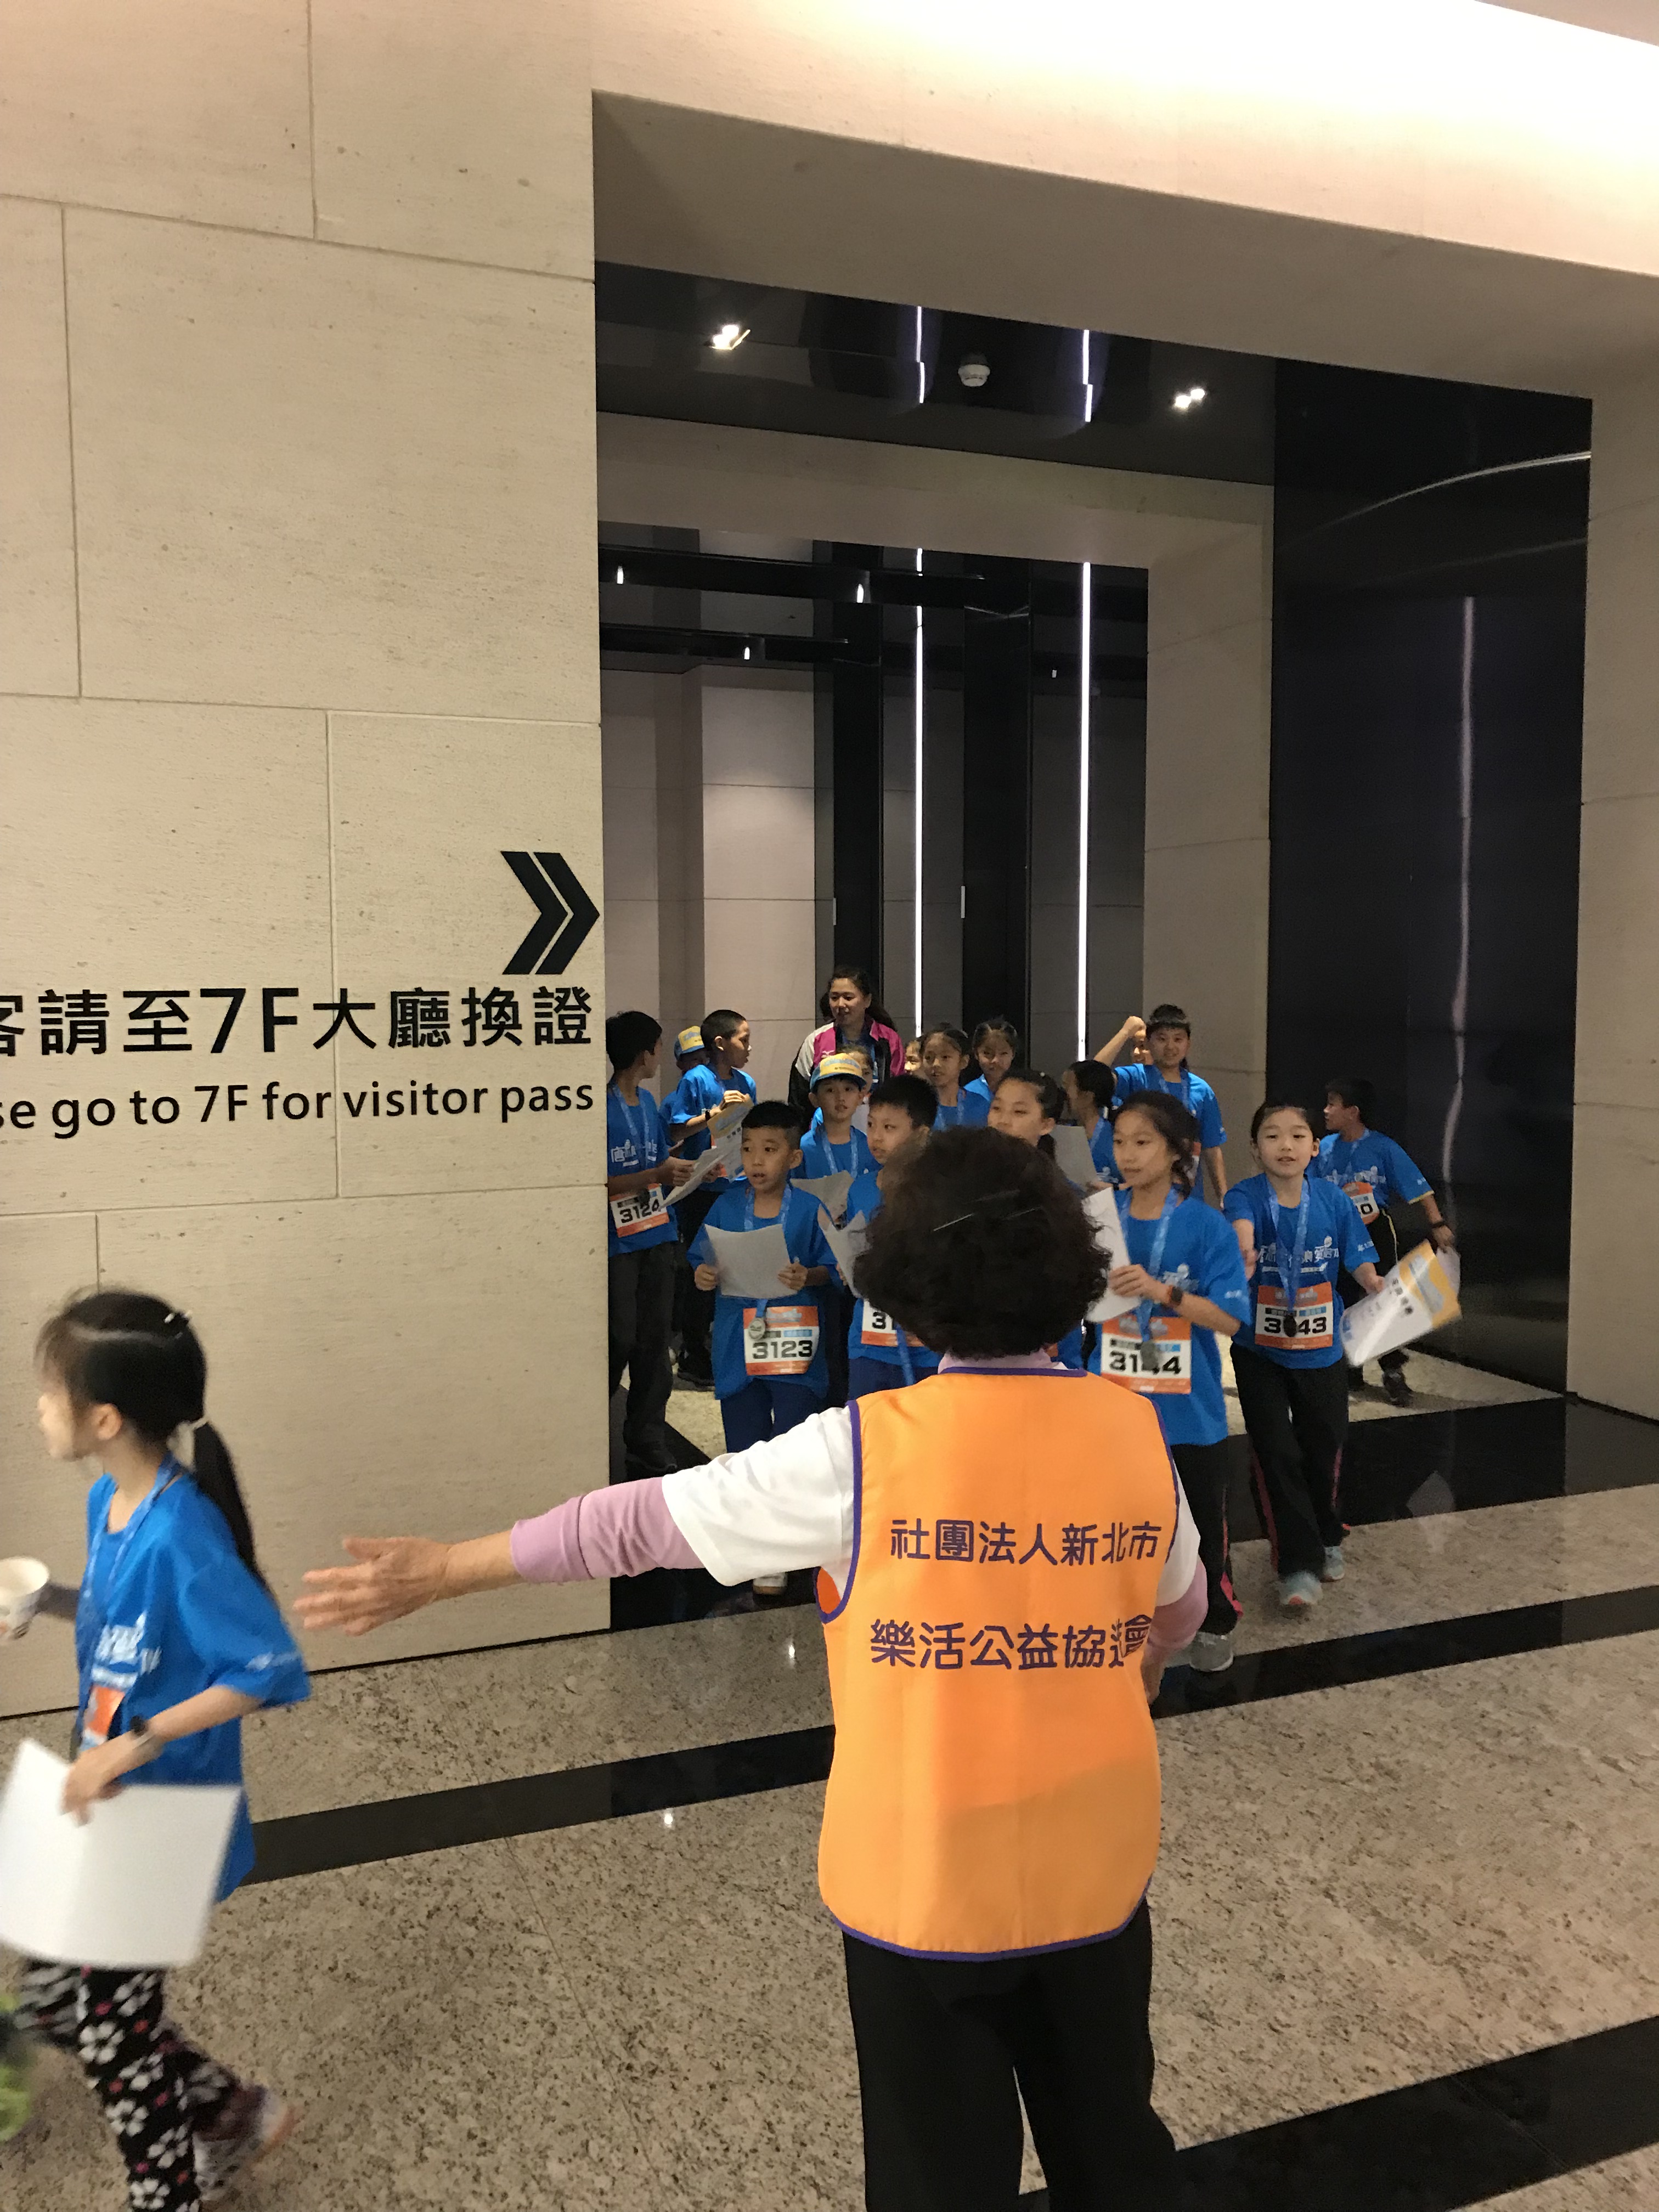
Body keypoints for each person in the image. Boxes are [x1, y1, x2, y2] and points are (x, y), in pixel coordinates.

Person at [297, 1127, 1207, 2212]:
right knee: (1114, 2151)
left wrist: (449, 1568)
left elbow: (636, 1525)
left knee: (936, 2175)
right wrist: (1131, 1661)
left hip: (919, 1884)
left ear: (909, 1288)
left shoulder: (858, 1453)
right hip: (1095, 1866)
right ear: (1068, 1267)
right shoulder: (1131, 1433)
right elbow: (1180, 1613)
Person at [12, 1292, 309, 2210]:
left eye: (50, 1394)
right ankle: (232, 2112)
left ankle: (168, 2191)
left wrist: (131, 1746)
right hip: (103, 1796)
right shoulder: (111, 1499)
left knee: (113, 2036)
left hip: (160, 1808)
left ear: (105, 1418)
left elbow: (263, 1667)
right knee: (56, 2000)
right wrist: (48, 1600)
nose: (38, 1409)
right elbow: (124, 1621)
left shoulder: (183, 1533)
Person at [1091, 1094, 1252, 1672]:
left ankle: (1215, 1619)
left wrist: (1164, 1292)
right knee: (1116, 1522)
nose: (1128, 1155)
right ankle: (1123, 1617)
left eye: (1143, 1143)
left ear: (1178, 1151)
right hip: (1113, 1405)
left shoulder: (1205, 1226)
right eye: (1120, 1142)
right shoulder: (1099, 1218)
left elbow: (1231, 1320)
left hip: (1189, 1411)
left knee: (1203, 1525)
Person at [1224, 1103, 1387, 1611]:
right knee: (1277, 1452)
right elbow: (1241, 1225)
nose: (1286, 1145)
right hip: (1260, 1351)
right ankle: (1296, 1564)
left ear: (1315, 1147)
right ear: (1256, 1149)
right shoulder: (1244, 1196)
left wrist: (1373, 1282)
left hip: (1321, 1351)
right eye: (1272, 1136)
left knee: (1324, 1445)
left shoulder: (1334, 1200)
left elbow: (1358, 1255)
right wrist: (1244, 1249)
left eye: (1298, 1136)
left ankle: (1327, 1532)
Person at [1317, 1075, 1457, 1407]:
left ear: (1353, 1112)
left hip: (1374, 1231)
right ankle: (1349, 1366)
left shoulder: (1383, 1147)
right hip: (1335, 1233)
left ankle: (1393, 1372)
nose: (1325, 1111)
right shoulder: (1323, 1148)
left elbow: (1418, 1187)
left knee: (1381, 1299)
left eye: (1332, 1104)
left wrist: (1437, 1223)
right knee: (1340, 1298)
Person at [605, 1012, 695, 1477]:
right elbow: (596, 1181)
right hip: (617, 1242)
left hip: (657, 1233)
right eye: (658, 1047)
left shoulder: (646, 1102)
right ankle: (588, 1426)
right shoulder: (598, 1108)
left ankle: (647, 1437)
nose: (660, 1055)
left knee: (655, 1342)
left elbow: (660, 1160)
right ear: (644, 1054)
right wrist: (654, 1175)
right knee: (620, 1337)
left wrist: (691, 1172)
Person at [663, 1009, 758, 1389]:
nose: (749, 1048)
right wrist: (712, 1115)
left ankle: (734, 1346)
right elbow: (675, 1130)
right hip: (702, 1191)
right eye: (743, 1040)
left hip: (737, 1187)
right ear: (720, 1043)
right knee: (700, 1270)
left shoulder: (747, 1082)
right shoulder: (696, 1079)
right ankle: (694, 1352)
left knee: (736, 1269)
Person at [843, 1073, 940, 1400]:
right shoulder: (860, 1188)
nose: (876, 1137)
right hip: (869, 1343)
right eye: (871, 1125)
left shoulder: (942, 1191)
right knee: (868, 1422)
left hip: (928, 1345)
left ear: (921, 1134)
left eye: (889, 1128)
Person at [988, 1069, 1084, 1370]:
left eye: (1019, 1112)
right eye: (997, 1108)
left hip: (1047, 1344)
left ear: (1047, 1124)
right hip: (978, 1341)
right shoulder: (965, 1186)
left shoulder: (1066, 1197)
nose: (1003, 1121)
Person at [1094, 1004, 1228, 1205]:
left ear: (1188, 1044)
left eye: (1178, 1039)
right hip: (1138, 1195)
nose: (1170, 1047)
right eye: (1162, 1039)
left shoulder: (1202, 1090)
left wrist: (1223, 1197)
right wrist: (1125, 1033)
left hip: (1187, 1198)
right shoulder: (1135, 1077)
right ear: (1148, 1042)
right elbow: (1093, 1076)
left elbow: (1212, 1149)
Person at [789, 968, 905, 1122]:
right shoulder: (815, 1041)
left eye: (848, 997)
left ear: (867, 1001)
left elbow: (899, 1092)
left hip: (878, 1128)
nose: (840, 1004)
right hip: (827, 1129)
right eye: (834, 997)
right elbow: (799, 1100)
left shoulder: (889, 1040)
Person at [799, 1052, 876, 1181]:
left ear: (860, 1097)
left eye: (848, 1089)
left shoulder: (869, 1147)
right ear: (814, 1099)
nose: (841, 1097)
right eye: (830, 1090)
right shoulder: (805, 1148)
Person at [921, 1024, 991, 1131]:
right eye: (929, 1058)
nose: (936, 1064)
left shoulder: (980, 1105)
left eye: (945, 1057)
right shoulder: (916, 1106)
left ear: (963, 1062)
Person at [1062, 1059, 1118, 1181]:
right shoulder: (1062, 1134)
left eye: (1067, 1086)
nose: (1062, 1093)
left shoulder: (1115, 1137)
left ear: (1087, 1096)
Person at [962, 1017, 1019, 1113]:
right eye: (988, 1053)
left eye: (1003, 1053)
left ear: (1013, 1053)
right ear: (976, 1053)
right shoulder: (967, 1094)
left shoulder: (1023, 1091)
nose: (996, 1060)